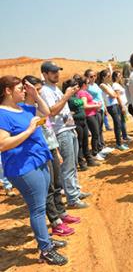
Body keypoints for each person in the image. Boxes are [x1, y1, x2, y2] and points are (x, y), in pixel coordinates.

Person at [0, 75, 68, 265]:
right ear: (7, 91)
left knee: (42, 203)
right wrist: (29, 131)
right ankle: (45, 250)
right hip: (24, 168)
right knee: (37, 209)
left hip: (39, 161)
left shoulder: (22, 108)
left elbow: (46, 113)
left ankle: (45, 241)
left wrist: (35, 95)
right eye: (20, 88)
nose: (23, 91)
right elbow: (3, 144)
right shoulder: (2, 114)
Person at [24, 75, 81, 237]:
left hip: (51, 147)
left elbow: (47, 120)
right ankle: (55, 221)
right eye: (37, 90)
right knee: (48, 188)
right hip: (40, 151)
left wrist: (55, 150)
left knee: (57, 184)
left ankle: (61, 213)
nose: (40, 93)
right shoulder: (24, 109)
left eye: (40, 90)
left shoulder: (38, 105)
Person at [40, 61, 90, 209]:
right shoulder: (45, 91)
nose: (57, 74)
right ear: (45, 74)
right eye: (53, 71)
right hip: (60, 132)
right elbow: (52, 111)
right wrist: (67, 96)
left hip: (68, 128)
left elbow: (64, 110)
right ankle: (73, 199)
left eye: (57, 71)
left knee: (73, 164)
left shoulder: (54, 88)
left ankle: (75, 190)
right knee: (68, 167)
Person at [85, 69, 114, 157]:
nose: (93, 78)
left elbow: (100, 96)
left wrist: (104, 107)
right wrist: (95, 105)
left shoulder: (96, 85)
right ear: (87, 77)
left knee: (100, 129)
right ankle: (96, 150)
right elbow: (87, 99)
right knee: (96, 131)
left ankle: (101, 146)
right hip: (94, 110)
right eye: (91, 76)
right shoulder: (87, 87)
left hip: (100, 108)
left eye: (94, 76)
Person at [98, 69, 129, 151]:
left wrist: (114, 94)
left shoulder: (108, 84)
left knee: (118, 124)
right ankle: (119, 144)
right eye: (108, 76)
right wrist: (114, 94)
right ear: (103, 77)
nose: (110, 77)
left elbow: (114, 95)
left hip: (115, 105)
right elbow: (113, 95)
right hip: (111, 106)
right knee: (118, 124)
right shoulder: (102, 85)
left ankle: (120, 142)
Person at [76, 75, 104, 161]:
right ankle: (95, 153)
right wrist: (95, 106)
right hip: (89, 115)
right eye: (87, 83)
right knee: (95, 134)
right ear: (84, 84)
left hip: (92, 114)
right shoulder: (82, 93)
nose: (88, 85)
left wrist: (95, 104)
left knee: (96, 133)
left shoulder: (83, 91)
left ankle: (95, 152)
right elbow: (84, 106)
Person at [112, 71, 132, 143]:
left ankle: (125, 135)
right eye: (118, 75)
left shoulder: (118, 84)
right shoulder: (115, 85)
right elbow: (118, 97)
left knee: (123, 120)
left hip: (123, 104)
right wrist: (122, 106)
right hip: (120, 105)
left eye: (120, 75)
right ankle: (124, 136)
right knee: (122, 121)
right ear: (115, 77)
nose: (120, 76)